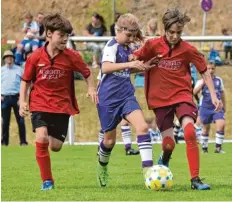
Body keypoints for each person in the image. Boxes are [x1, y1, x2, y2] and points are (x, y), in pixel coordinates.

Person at [132, 8, 222, 190]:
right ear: (164, 29)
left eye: (178, 33)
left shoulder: (188, 49)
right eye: (171, 32)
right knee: (168, 144)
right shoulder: (152, 46)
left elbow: (204, 71)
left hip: (182, 96)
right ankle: (164, 158)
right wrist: (144, 66)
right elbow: (133, 62)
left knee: (189, 132)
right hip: (160, 99)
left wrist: (213, 95)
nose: (174, 36)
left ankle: (195, 180)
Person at [19, 13, 98, 191]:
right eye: (61, 35)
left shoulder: (71, 56)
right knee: (41, 137)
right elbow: (25, 80)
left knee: (55, 146)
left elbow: (86, 73)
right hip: (39, 103)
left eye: (67, 36)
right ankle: (47, 181)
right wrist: (22, 101)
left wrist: (91, 88)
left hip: (62, 105)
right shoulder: (35, 57)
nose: (64, 39)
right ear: (49, 34)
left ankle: (48, 157)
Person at [96, 13, 156, 188]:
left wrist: (142, 67)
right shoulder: (112, 45)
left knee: (143, 127)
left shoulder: (127, 48)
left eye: (133, 36)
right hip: (108, 99)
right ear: (119, 30)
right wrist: (130, 64)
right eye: (128, 35)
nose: (131, 39)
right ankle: (102, 166)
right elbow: (106, 67)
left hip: (126, 96)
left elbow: (124, 71)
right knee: (109, 141)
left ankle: (148, 173)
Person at [193, 61, 226, 153]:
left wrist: (224, 105)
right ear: (205, 69)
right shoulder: (201, 81)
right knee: (205, 129)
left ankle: (218, 148)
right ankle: (204, 149)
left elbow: (222, 94)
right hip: (205, 107)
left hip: (217, 107)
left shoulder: (219, 80)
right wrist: (203, 82)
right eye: (209, 69)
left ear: (215, 69)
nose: (211, 70)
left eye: (212, 68)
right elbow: (194, 92)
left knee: (221, 125)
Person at [1, 50, 28, 146]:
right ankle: (4, 142)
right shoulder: (1, 70)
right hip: (4, 99)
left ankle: (23, 142)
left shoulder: (19, 70)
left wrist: (22, 98)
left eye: (11, 57)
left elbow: (25, 83)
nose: (9, 58)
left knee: (21, 121)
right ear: (4, 59)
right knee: (5, 122)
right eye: (7, 57)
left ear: (13, 58)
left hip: (17, 98)